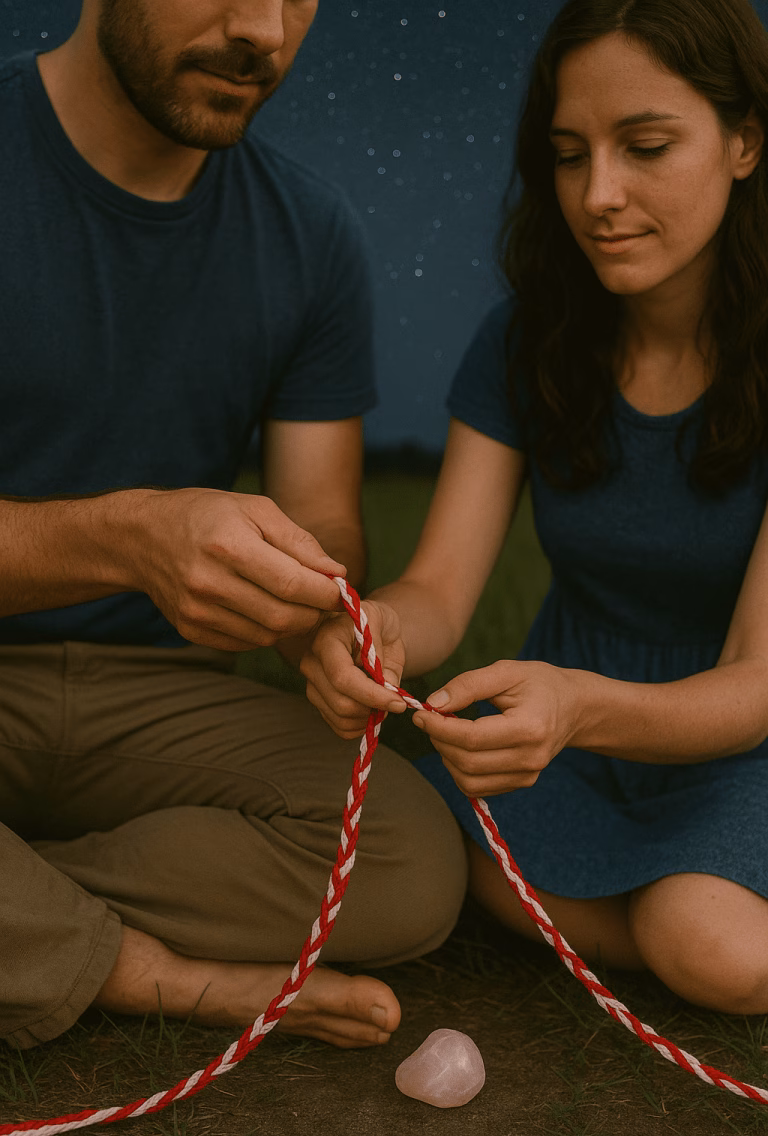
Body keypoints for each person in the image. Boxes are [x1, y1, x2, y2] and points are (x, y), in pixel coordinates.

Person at [0, 0, 467, 1053]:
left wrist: (332, 628)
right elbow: (130, 539)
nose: (264, 27)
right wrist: (126, 538)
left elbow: (322, 528)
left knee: (408, 858)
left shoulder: (310, 234)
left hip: (164, 706)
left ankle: (20, 900)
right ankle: (147, 972)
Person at [303, 0, 768, 1015]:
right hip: (562, 748)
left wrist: (580, 707)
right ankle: (638, 913)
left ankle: (655, 915)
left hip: (736, 746)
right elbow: (439, 588)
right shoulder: (525, 341)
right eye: (568, 155)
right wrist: (376, 632)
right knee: (419, 843)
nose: (599, 195)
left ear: (745, 141)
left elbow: (757, 683)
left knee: (715, 947)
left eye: (646, 146)